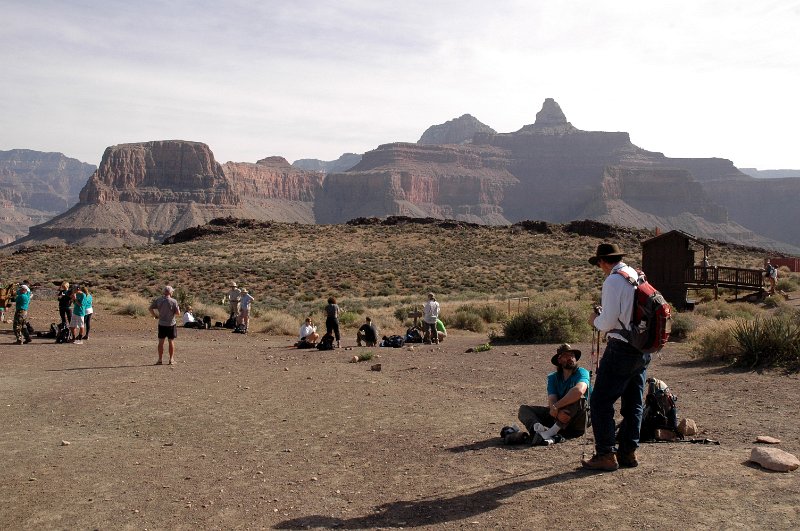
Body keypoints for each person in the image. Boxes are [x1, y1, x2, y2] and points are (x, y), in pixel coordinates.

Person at [582, 243, 651, 471]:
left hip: (620, 348)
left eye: (599, 264)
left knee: (600, 401)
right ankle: (628, 453)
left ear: (602, 261)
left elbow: (608, 322)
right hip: (641, 347)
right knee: (633, 403)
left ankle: (606, 454)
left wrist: (595, 320)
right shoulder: (635, 274)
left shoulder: (613, 280)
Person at [517, 344, 590, 445]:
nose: (570, 358)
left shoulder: (582, 372)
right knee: (524, 409)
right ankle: (537, 432)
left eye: (572, 355)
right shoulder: (553, 377)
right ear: (559, 360)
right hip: (559, 416)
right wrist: (554, 409)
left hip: (579, 419)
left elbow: (579, 391)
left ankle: (551, 432)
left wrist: (556, 406)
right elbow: (552, 398)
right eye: (566, 355)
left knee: (578, 398)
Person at [148, 285, 181, 365]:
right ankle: (171, 359)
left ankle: (160, 360)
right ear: (170, 292)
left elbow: (150, 308)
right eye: (172, 291)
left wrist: (155, 315)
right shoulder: (173, 301)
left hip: (161, 323)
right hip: (171, 324)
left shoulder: (159, 300)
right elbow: (178, 313)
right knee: (171, 341)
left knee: (161, 342)